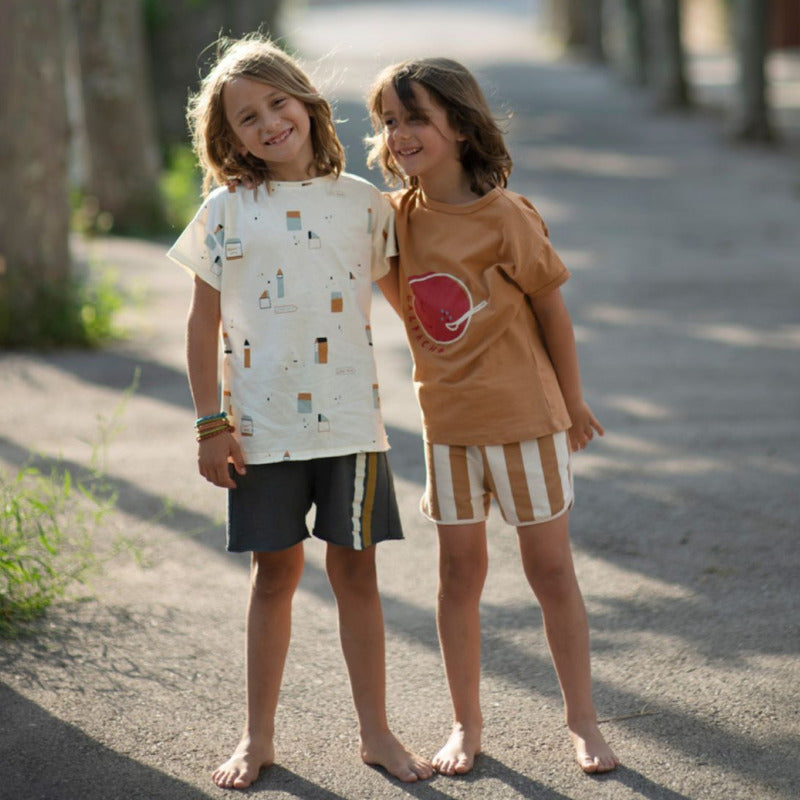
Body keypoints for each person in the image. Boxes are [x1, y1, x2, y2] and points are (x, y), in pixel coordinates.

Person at [167, 35, 432, 790]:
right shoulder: (225, 211)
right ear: (229, 140)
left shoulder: (363, 204)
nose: (268, 123)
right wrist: (209, 423)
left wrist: (462, 373)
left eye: (277, 103)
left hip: (351, 425)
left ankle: (376, 733)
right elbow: (200, 325)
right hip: (261, 432)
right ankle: (257, 738)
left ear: (307, 103)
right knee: (273, 577)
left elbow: (411, 306)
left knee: (357, 577)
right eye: (247, 119)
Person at [365, 58, 620, 776]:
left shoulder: (506, 216)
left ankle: (583, 721)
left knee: (550, 571)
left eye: (417, 117)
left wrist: (572, 403)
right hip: (448, 427)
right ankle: (465, 724)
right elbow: (410, 307)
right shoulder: (393, 220)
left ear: (461, 125)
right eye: (389, 119)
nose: (401, 132)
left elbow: (553, 312)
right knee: (457, 576)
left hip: (526, 422)